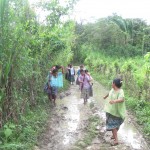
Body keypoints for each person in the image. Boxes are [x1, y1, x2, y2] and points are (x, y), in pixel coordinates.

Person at [103, 78, 126, 146]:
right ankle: (114, 135)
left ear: (114, 84)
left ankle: (116, 141)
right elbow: (109, 93)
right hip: (110, 110)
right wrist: (105, 96)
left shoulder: (120, 91)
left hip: (117, 112)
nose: (111, 84)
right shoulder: (113, 89)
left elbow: (122, 99)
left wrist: (114, 101)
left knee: (114, 126)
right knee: (114, 125)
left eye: (112, 83)